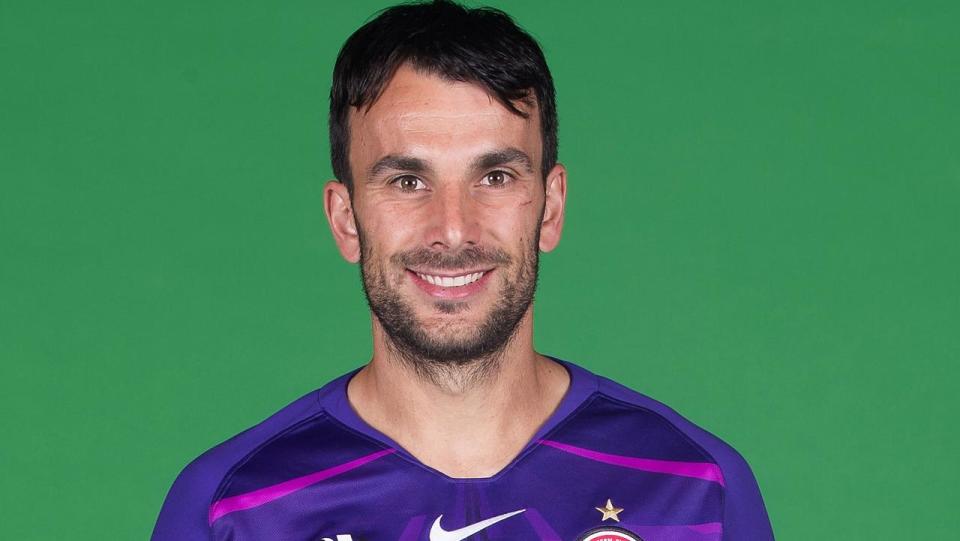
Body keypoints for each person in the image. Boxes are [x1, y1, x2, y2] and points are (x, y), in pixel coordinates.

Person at [152, 1, 774, 539]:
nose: (453, 228)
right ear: (345, 219)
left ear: (551, 208)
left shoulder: (696, 487)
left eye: (495, 177)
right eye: (406, 179)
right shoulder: (233, 510)